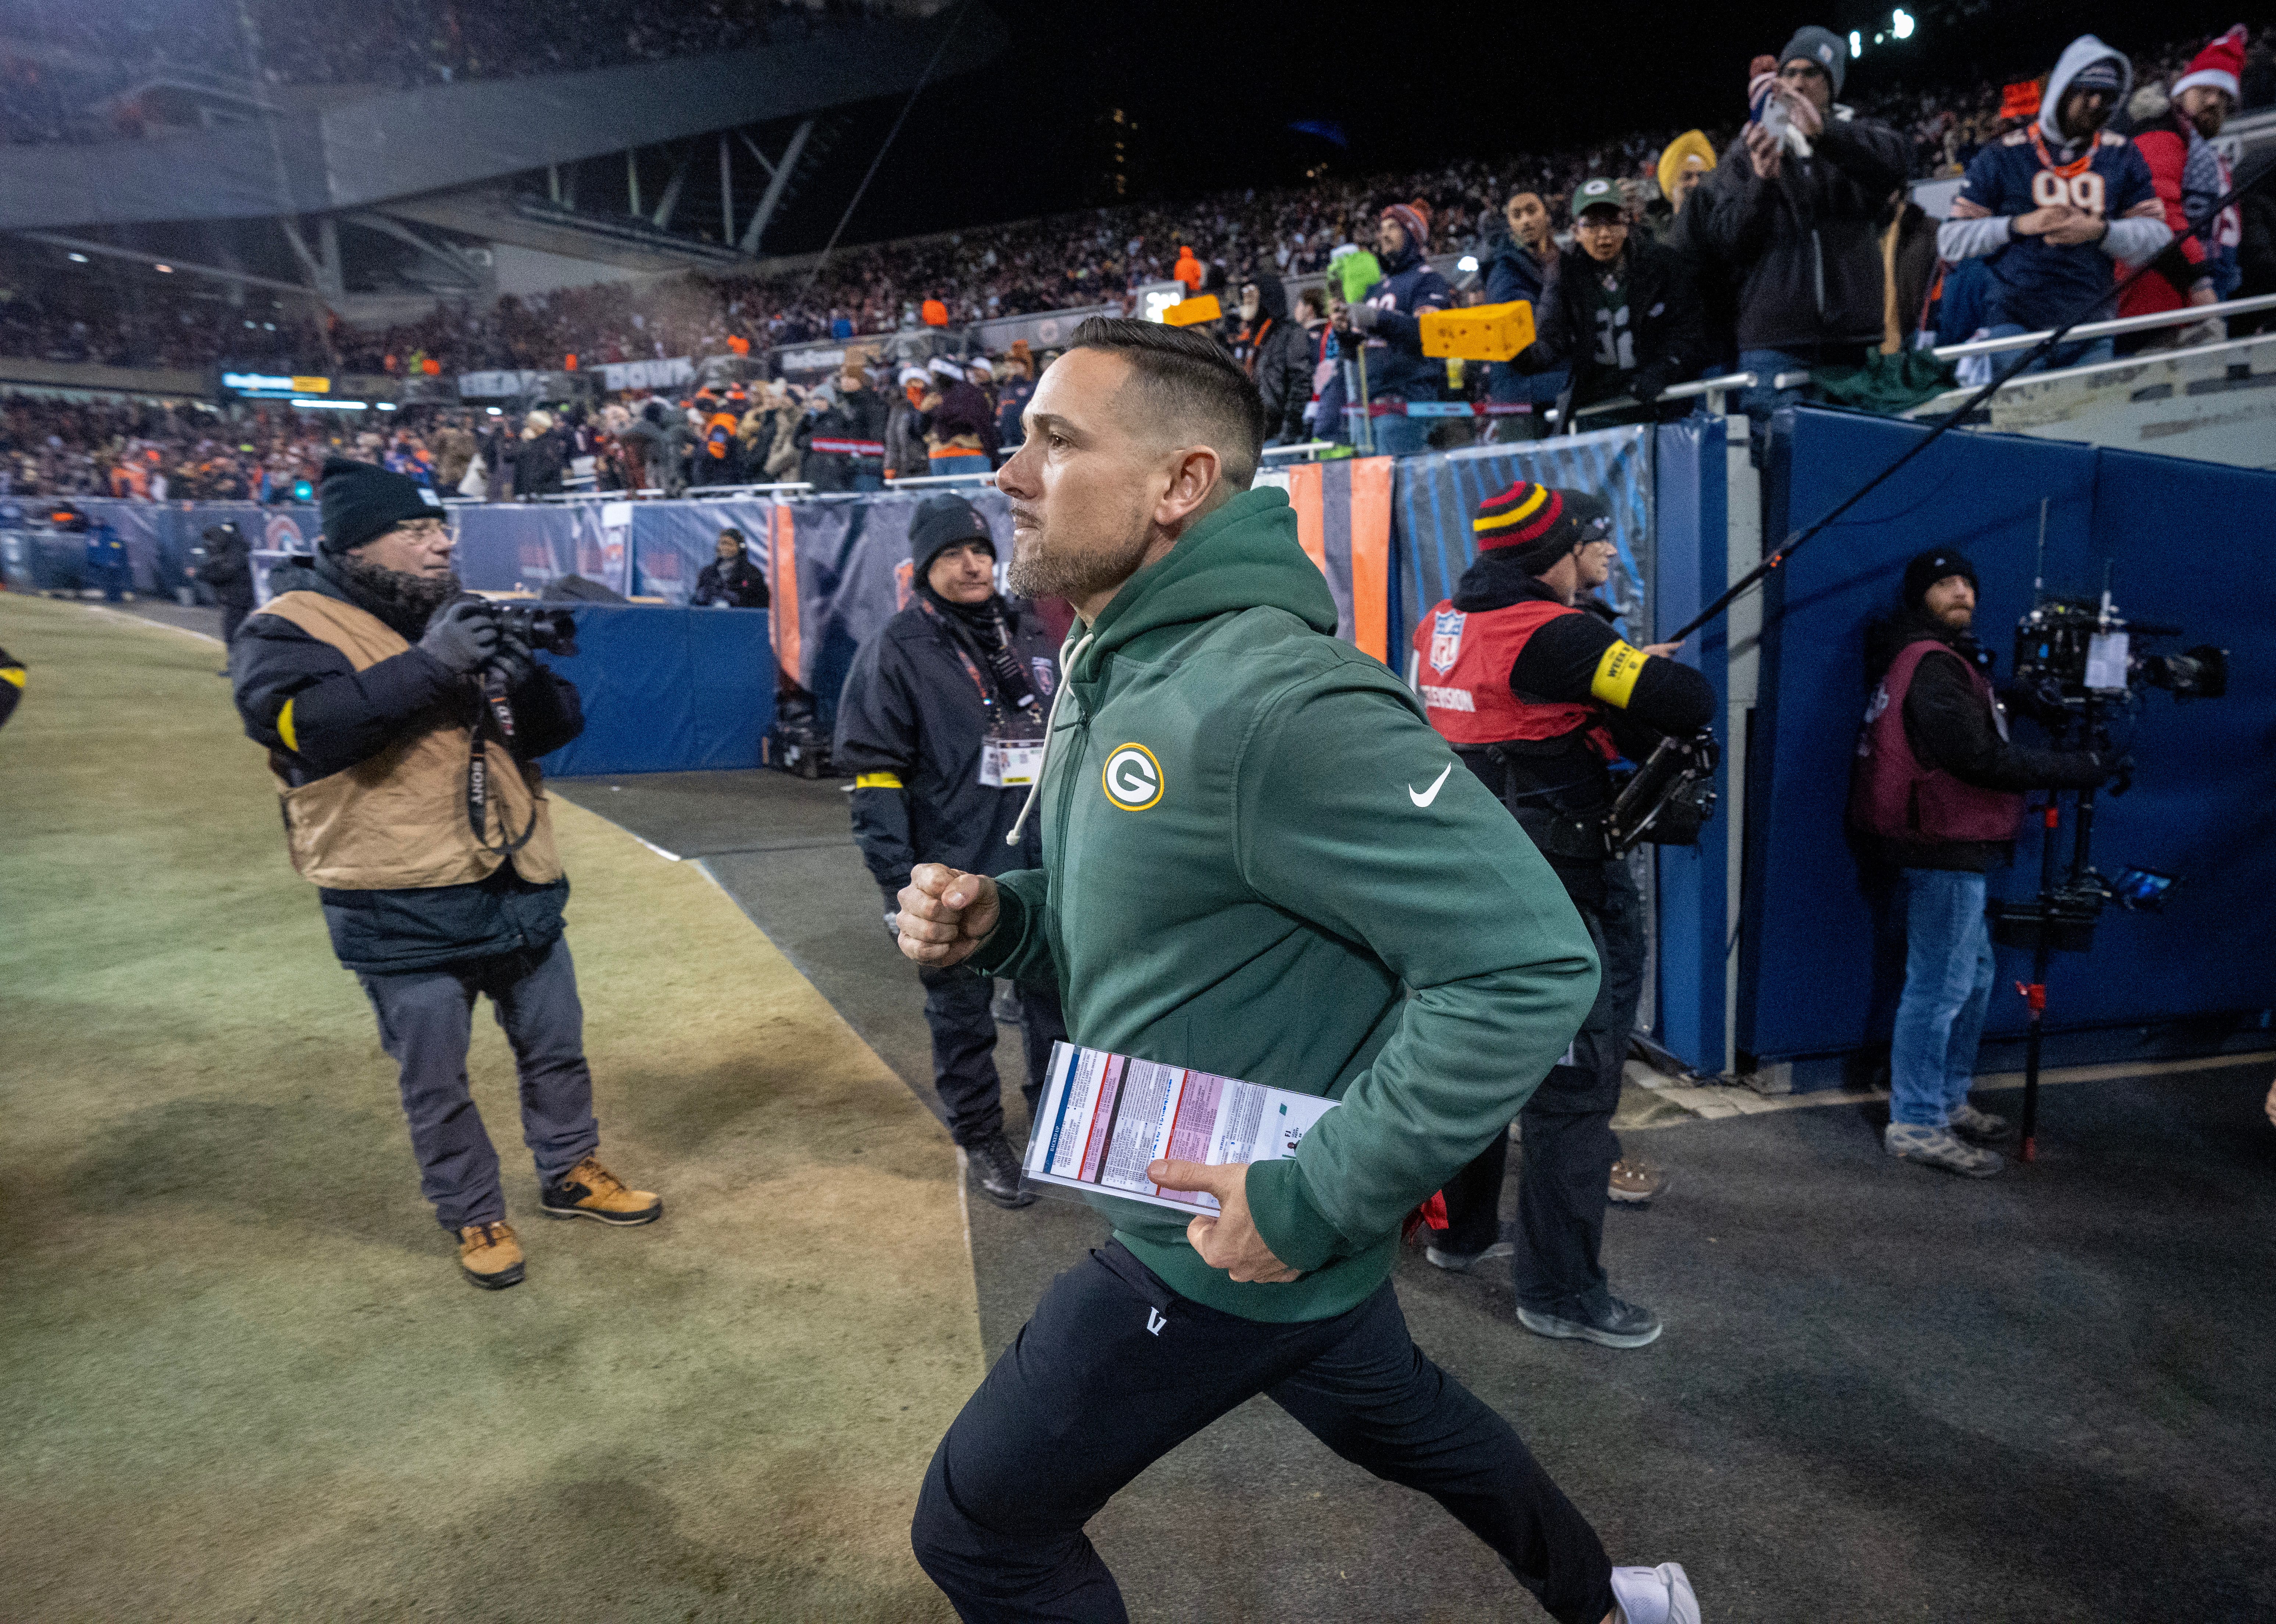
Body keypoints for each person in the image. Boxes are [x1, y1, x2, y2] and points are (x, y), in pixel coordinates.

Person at [898, 318, 1697, 1624]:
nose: (1010, 472)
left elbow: (1527, 965)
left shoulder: (1277, 699)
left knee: (978, 1529)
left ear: (1178, 482)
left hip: (1210, 1243)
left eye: (1055, 439)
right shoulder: (1117, 657)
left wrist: (1317, 1189)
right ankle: (1612, 1606)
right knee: (1421, 1427)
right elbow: (1157, 916)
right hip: (1260, 1239)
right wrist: (1006, 920)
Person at [228, 456, 662, 1289]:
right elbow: (303, 727)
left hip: (513, 877)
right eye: (415, 531)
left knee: (556, 1046)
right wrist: (433, 663)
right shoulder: (284, 626)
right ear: (356, 546)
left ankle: (571, 1169)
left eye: (439, 528)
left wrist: (522, 677)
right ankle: (474, 1213)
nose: (438, 546)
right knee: (436, 1077)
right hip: (397, 896)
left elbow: (553, 728)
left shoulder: (455, 611)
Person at [1411, 481, 1716, 1346]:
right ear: (1557, 550)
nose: (1610, 553)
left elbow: (1526, 711)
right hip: (1560, 893)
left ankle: (1458, 1233)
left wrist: (1612, 674)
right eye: (1597, 538)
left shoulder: (1439, 624)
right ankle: (1560, 1291)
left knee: (1474, 1066)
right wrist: (1628, 669)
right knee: (1572, 1094)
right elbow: (1686, 701)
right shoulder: (1561, 634)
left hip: (1466, 883)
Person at [834, 497, 1066, 1208]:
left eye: (980, 551)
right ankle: (979, 1132)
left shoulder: (1031, 630)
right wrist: (896, 884)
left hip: (1040, 862)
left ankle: (1057, 1126)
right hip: (952, 866)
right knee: (960, 1015)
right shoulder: (901, 648)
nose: (972, 565)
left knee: (1054, 1005)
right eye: (952, 554)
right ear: (923, 566)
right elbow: (873, 778)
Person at [1851, 548, 2111, 1177]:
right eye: (1946, 583)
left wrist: (2014, 700)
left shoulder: (1933, 661)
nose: (1963, 591)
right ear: (1920, 597)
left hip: (1946, 844)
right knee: (1939, 986)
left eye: (1969, 581)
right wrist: (2081, 768)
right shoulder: (1935, 665)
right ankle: (1916, 1119)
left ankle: (1943, 1097)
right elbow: (1977, 758)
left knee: (1968, 978)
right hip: (1942, 846)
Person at [1699, 26, 1910, 426]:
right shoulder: (1750, 148)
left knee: (1853, 469)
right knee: (1782, 474)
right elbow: (1729, 241)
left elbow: (1896, 165)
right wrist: (1762, 183)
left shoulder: (1856, 137)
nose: (1797, 82)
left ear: (1832, 85)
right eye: (1790, 72)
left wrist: (1825, 134)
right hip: (1775, 344)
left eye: (1812, 73)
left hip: (1850, 342)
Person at [1938, 36, 2171, 373]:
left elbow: (2159, 240)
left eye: (2106, 97)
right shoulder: (2002, 154)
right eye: (2086, 91)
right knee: (2023, 423)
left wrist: (2101, 231)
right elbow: (1951, 240)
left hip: (2092, 326)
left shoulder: (2122, 154)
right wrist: (2020, 225)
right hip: (2014, 325)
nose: (2095, 103)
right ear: (2063, 90)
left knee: (2091, 423)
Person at [1516, 178, 1710, 426]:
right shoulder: (1564, 275)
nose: (1604, 234)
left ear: (1627, 225)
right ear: (1576, 232)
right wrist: (1520, 356)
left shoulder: (1663, 264)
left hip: (1661, 406)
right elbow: (1551, 339)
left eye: (1613, 222)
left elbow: (1690, 331)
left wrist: (1665, 369)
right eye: (1592, 225)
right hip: (1598, 412)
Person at [2119, 26, 2248, 338]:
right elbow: (2161, 214)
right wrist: (2200, 280)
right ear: (2181, 91)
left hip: (2186, 301)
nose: (2213, 101)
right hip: (2159, 301)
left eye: (2223, 96)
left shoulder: (2200, 150)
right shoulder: (2161, 136)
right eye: (2205, 91)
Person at [1334, 201, 1453, 455]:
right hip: (1369, 407)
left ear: (1412, 234)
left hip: (1406, 404)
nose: (1383, 235)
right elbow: (1356, 352)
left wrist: (1377, 318)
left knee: (1400, 490)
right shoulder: (1376, 288)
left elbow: (1426, 333)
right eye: (1382, 228)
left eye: (1393, 228)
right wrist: (1345, 332)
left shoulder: (1428, 280)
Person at [1484, 191, 1570, 440]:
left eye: (1532, 211)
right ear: (1510, 225)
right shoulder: (1504, 272)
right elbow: (1528, 332)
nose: (1526, 221)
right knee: (1532, 479)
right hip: (1522, 400)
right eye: (1517, 215)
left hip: (1551, 390)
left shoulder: (1559, 261)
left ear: (1548, 216)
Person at [1230, 272, 1310, 447]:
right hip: (1256, 437)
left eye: (1252, 294)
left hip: (1280, 437)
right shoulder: (1253, 339)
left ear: (1267, 296)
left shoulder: (1289, 333)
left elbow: (1301, 382)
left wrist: (1289, 432)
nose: (1247, 300)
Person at [917, 356, 998, 476]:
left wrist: (924, 412)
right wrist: (993, 456)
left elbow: (921, 429)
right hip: (969, 455)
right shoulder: (973, 393)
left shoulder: (932, 398)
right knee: (974, 495)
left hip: (938, 457)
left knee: (945, 496)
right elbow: (984, 427)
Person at [191, 519, 256, 657]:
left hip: (239, 598)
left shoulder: (234, 553)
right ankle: (238, 665)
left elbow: (225, 573)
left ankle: (237, 667)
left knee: (233, 632)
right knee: (234, 631)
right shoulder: (232, 549)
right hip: (237, 597)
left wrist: (200, 574)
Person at [691, 527, 770, 609]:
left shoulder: (752, 574)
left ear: (740, 548)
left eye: (729, 544)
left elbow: (762, 604)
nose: (725, 547)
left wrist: (738, 601)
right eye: (722, 544)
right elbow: (697, 602)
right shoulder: (707, 573)